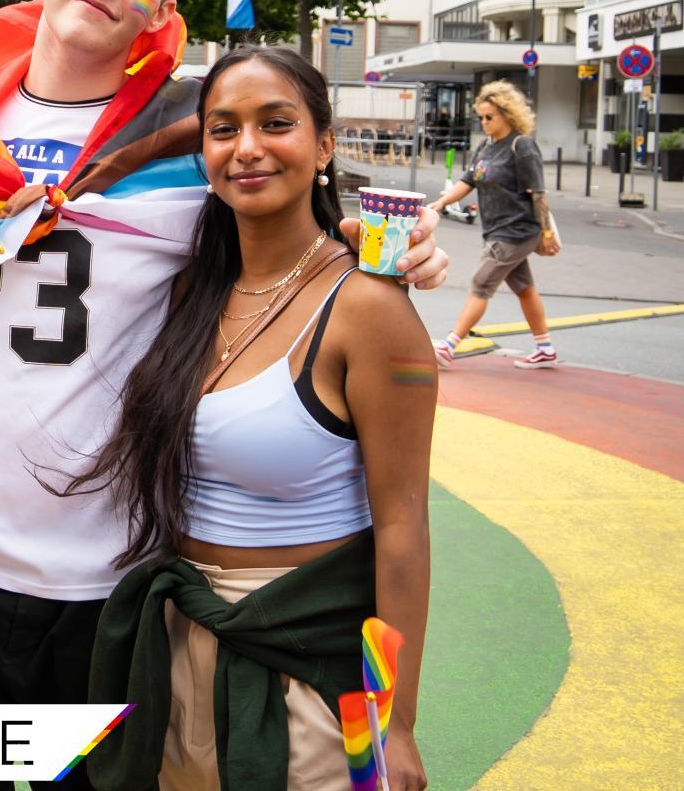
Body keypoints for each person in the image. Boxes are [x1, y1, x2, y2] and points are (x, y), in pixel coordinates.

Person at [0, 0, 448, 791]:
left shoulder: (192, 141)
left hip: (113, 587)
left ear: (158, 7)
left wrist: (391, 247)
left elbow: (292, 221)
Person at [81, 46, 435, 791]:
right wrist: (110, 171)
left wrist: (394, 723)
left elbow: (403, 529)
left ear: (326, 144)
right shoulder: (193, 290)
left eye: (278, 124)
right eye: (223, 129)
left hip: (301, 665)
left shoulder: (369, 307)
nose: (247, 148)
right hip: (177, 649)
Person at [426, 79, 561, 370]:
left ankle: (449, 346)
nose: (484, 122)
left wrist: (547, 233)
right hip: (496, 229)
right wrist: (441, 203)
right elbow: (468, 180)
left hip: (517, 230)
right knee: (524, 288)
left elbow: (538, 192)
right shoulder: (486, 147)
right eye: (481, 117)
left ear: (508, 116)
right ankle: (546, 348)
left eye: (490, 117)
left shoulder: (521, 146)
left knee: (481, 282)